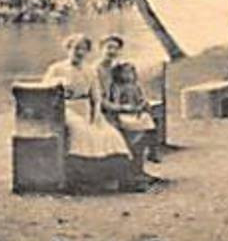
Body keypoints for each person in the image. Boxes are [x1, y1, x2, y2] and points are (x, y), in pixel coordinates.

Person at [43, 34, 139, 192]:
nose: (79, 53)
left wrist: (96, 116)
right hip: (65, 108)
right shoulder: (56, 69)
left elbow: (96, 96)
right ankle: (78, 179)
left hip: (85, 107)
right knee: (82, 131)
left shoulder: (89, 70)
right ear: (68, 49)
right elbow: (45, 92)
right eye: (75, 48)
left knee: (109, 134)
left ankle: (108, 178)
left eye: (83, 49)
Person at [103, 60, 160, 173]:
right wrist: (125, 107)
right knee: (133, 129)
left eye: (131, 73)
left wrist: (142, 104)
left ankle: (152, 151)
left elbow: (141, 99)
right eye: (125, 73)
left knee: (149, 122)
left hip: (136, 112)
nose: (128, 76)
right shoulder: (117, 87)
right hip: (124, 114)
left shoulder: (135, 86)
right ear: (119, 74)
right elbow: (116, 102)